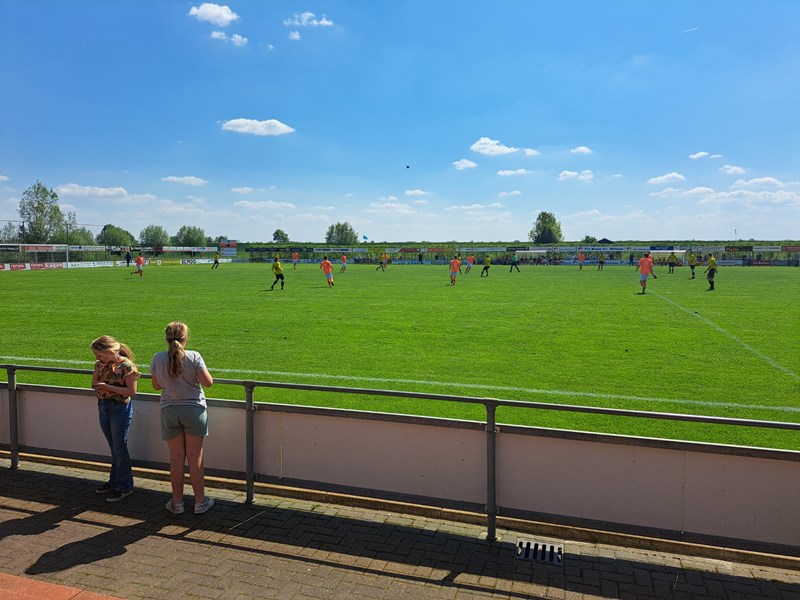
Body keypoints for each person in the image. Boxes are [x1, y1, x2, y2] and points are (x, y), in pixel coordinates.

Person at [150, 321, 215, 515]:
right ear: (186, 338)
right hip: (194, 410)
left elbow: (155, 385)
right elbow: (208, 383)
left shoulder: (158, 358)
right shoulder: (194, 356)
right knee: (195, 459)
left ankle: (177, 503)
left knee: (176, 459)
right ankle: (199, 502)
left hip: (169, 411)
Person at [90, 335, 139, 503]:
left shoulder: (126, 366)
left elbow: (131, 392)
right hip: (104, 406)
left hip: (119, 409)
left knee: (119, 447)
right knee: (114, 447)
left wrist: (107, 387)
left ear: (109, 351)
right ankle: (115, 481)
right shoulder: (100, 365)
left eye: (99, 354)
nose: (97, 358)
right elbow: (94, 384)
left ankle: (124, 486)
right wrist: (98, 370)